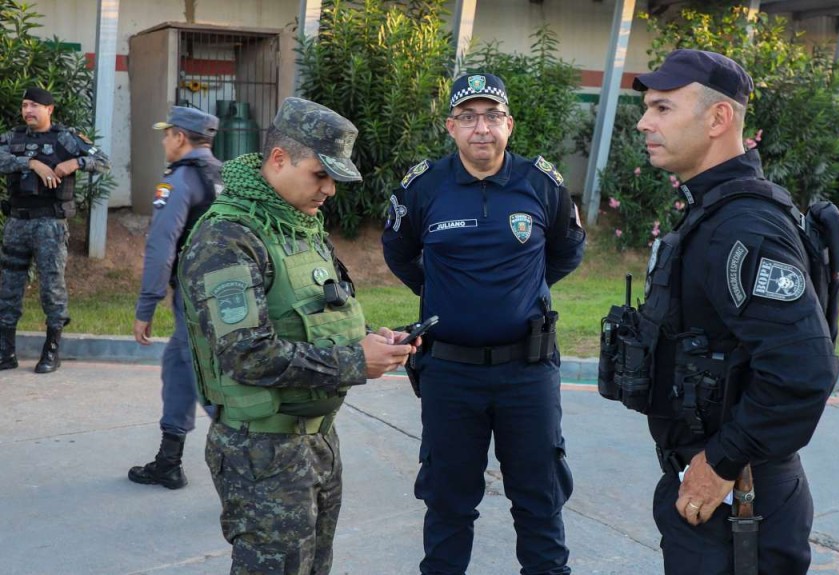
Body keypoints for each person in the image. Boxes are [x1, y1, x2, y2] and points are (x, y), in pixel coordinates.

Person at [178, 96, 415, 573]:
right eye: (319, 174)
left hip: (316, 442)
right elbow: (246, 354)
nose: (329, 189)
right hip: (261, 452)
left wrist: (371, 339)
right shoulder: (228, 237)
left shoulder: (297, 225)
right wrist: (355, 360)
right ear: (279, 158)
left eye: (334, 178)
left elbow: (312, 316)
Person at [628, 49, 839, 573]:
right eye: (648, 109)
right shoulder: (715, 211)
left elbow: (805, 369)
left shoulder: (743, 226)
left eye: (662, 108)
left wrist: (720, 462)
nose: (644, 122)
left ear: (719, 118)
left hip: (741, 498)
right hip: (721, 491)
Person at [382, 72, 586, 575]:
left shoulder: (541, 182)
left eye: (492, 116)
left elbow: (566, 251)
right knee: (448, 503)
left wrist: (522, 290)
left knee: (540, 501)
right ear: (451, 126)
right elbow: (400, 253)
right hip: (450, 373)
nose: (482, 128)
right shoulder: (423, 186)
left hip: (528, 372)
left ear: (509, 125)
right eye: (469, 117)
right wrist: (444, 293)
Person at [128, 106, 222, 490]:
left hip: (195, 296)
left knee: (202, 377)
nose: (164, 141)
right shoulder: (220, 175)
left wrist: (146, 306)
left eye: (167, 134)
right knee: (179, 366)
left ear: (180, 137)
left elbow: (161, 245)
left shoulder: (180, 180)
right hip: (219, 291)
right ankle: (169, 461)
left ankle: (260, 461)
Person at [0, 86, 110, 373]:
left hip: (50, 225)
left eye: (34, 106)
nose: (28, 111)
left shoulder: (66, 138)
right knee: (8, 288)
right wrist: (31, 163)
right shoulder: (13, 138)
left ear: (49, 109)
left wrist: (75, 162)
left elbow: (103, 162)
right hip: (16, 223)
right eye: (24, 105)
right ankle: (5, 352)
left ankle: (51, 352)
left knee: (51, 287)